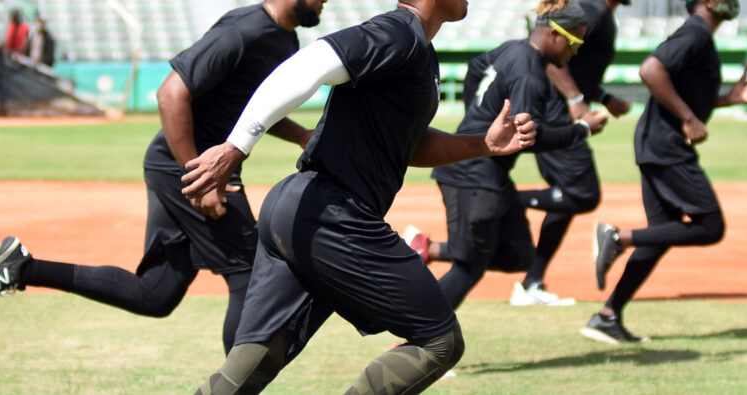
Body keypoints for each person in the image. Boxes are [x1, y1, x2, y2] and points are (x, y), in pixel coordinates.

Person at [180, 1, 536, 392]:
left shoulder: (419, 49)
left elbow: (407, 144)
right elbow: (307, 65)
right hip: (334, 214)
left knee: (257, 361)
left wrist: (482, 144)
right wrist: (236, 146)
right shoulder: (400, 32)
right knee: (439, 340)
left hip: (297, 206)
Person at [0, 0, 324, 356]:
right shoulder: (243, 30)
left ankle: (20, 268)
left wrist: (301, 136)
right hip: (190, 171)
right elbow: (170, 94)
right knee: (248, 274)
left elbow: (251, 108)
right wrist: (196, 176)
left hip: (185, 169)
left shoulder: (283, 39)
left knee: (156, 292)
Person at [585, 0, 747, 344]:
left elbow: (684, 91)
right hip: (667, 148)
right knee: (710, 226)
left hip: (657, 145)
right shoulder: (695, 32)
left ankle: (607, 316)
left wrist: (728, 99)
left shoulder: (700, 36)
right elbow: (651, 70)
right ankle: (617, 238)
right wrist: (689, 120)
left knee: (662, 233)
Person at [418, 0, 606, 310]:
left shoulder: (513, 48)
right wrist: (582, 129)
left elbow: (476, 66)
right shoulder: (531, 75)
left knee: (520, 255)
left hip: (486, 174)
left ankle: (428, 250)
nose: (575, 52)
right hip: (474, 175)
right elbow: (526, 137)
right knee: (469, 267)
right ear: (554, 35)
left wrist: (475, 117)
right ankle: (417, 335)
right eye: (574, 42)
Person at [512, 0, 632, 305]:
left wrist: (602, 96)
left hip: (559, 111)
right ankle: (503, 197)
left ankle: (531, 283)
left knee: (565, 199)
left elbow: (576, 65)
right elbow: (551, 60)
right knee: (582, 194)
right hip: (557, 115)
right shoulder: (592, 10)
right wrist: (576, 99)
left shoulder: (601, 14)